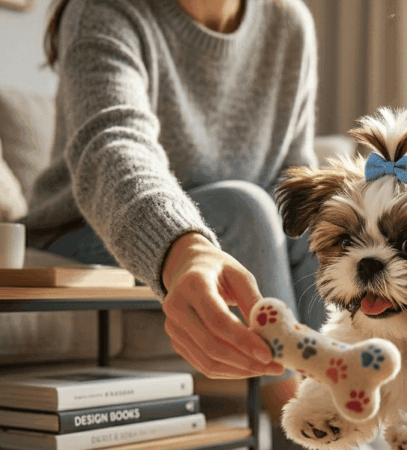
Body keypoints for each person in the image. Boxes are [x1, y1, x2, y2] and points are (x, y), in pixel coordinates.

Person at [23, 0, 324, 447]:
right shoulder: (102, 10)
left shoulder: (288, 22)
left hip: (235, 220)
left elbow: (292, 179)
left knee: (323, 231)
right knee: (246, 210)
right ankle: (308, 436)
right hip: (83, 229)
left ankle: (353, 415)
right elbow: (114, 145)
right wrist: (186, 247)